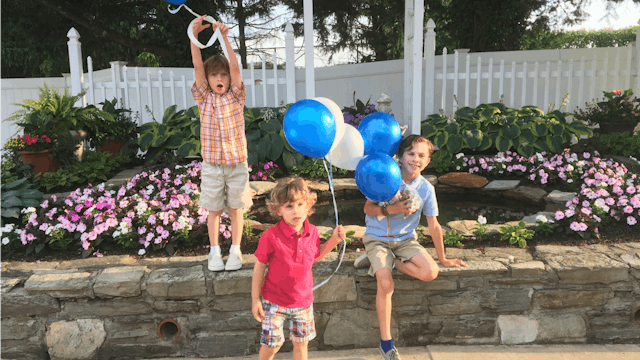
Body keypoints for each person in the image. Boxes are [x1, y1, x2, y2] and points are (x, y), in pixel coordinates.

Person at [354, 135, 468, 360]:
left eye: (421, 155)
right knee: (385, 284)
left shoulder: (426, 189)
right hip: (377, 239)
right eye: (411, 153)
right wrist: (391, 210)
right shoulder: (385, 175)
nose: (415, 159)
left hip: (405, 241)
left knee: (431, 272)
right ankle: (387, 344)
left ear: (427, 160)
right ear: (401, 155)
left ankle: (383, 261)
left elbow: (434, 226)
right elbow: (368, 209)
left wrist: (443, 259)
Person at [251, 177, 345, 360]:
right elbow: (260, 266)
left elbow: (314, 257)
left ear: (308, 205)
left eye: (301, 204)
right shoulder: (271, 236)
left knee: (301, 345)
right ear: (277, 209)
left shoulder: (314, 232)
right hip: (274, 301)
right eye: (289, 206)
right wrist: (255, 299)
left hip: (303, 301)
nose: (296, 211)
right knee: (272, 344)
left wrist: (334, 240)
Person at [190, 16, 252, 271]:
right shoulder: (204, 97)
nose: (219, 78)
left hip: (237, 165)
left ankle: (235, 251)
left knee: (236, 209)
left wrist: (224, 36)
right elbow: (197, 66)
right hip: (213, 166)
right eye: (214, 74)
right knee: (214, 210)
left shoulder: (236, 96)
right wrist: (194, 39)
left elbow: (236, 68)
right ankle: (214, 252)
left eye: (222, 75)